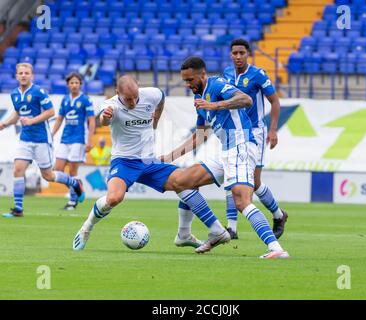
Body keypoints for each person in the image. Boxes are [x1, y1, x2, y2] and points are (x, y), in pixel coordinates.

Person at [72, 75, 230, 251]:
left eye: (135, 97)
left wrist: (155, 120)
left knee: (188, 181)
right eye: (128, 99)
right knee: (114, 198)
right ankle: (87, 227)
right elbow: (104, 119)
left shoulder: (152, 94)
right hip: (124, 162)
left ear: (139, 88)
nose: (133, 102)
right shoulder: (111, 105)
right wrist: (106, 117)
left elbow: (161, 98)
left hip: (149, 161)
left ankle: (186, 234)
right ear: (118, 93)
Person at [162, 57, 289, 259]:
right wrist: (170, 155)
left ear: (202, 74)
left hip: (241, 145)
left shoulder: (217, 84)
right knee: (183, 181)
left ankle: (276, 248)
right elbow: (201, 135)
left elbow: (245, 100)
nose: (188, 85)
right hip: (226, 151)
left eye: (190, 79)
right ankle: (192, 233)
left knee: (242, 200)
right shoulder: (200, 100)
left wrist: (215, 105)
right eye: (185, 81)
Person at [221, 38, 288, 239]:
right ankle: (231, 228)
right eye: (235, 53)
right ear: (231, 54)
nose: (238, 57)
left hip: (255, 133)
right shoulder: (226, 73)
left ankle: (278, 214)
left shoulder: (258, 74)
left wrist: (273, 130)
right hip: (233, 132)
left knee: (255, 182)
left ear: (248, 54)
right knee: (232, 176)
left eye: (242, 53)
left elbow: (275, 102)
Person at [0, 63, 85, 218]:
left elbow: (51, 111)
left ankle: (74, 183)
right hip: (25, 139)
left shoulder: (39, 91)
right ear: (16, 76)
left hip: (41, 140)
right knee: (18, 169)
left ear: (32, 75)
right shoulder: (15, 94)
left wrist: (32, 121)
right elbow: (18, 114)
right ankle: (18, 209)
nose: (24, 75)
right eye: (21, 73)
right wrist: (5, 123)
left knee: (48, 176)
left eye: (26, 73)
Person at [51, 72, 95, 210]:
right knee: (57, 169)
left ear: (80, 84)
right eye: (72, 83)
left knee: (72, 171)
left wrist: (89, 141)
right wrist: (51, 134)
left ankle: (72, 201)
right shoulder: (65, 99)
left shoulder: (86, 100)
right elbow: (59, 119)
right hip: (65, 138)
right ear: (68, 85)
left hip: (78, 139)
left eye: (77, 82)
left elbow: (91, 121)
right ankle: (77, 186)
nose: (74, 85)